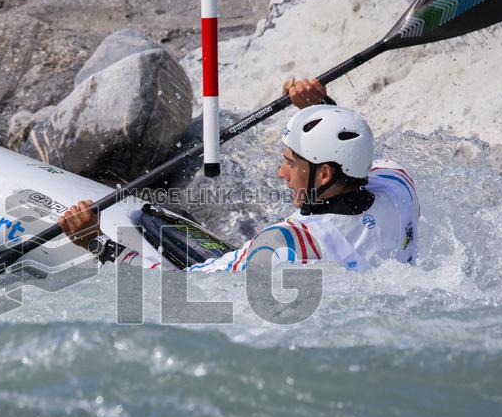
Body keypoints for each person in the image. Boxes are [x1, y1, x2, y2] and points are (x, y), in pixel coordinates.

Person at [57, 77, 419, 272]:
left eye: (291, 163)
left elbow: (180, 291)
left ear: (324, 174)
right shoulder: (400, 186)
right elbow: (362, 157)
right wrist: (321, 111)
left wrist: (97, 243)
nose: (281, 173)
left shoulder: (287, 245)